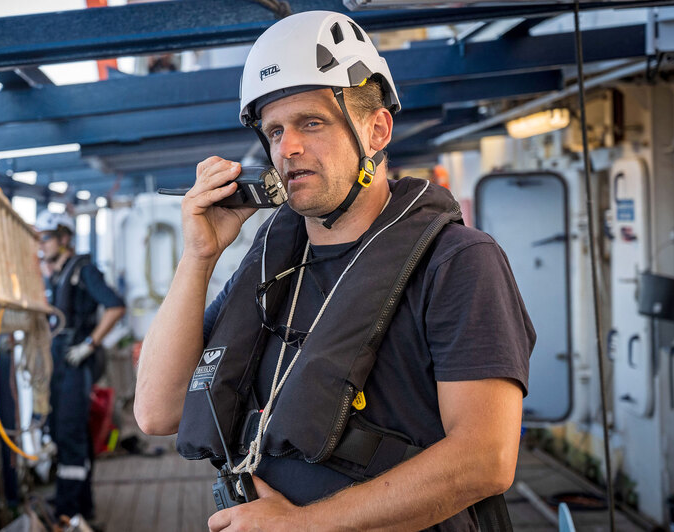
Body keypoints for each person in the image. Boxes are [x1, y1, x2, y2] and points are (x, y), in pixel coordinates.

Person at [134, 11, 534, 532]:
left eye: (311, 123)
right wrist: (198, 257)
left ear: (376, 130)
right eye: (274, 130)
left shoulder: (459, 262)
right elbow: (157, 412)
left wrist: (300, 525)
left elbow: (486, 460)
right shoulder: (270, 268)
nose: (287, 147)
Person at [35, 211, 125, 521]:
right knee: (67, 433)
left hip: (75, 362)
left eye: (45, 238)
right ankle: (79, 506)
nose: (40, 245)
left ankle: (68, 513)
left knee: (70, 435)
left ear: (63, 238)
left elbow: (115, 305)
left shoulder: (84, 270)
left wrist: (89, 344)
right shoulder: (58, 273)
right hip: (59, 362)